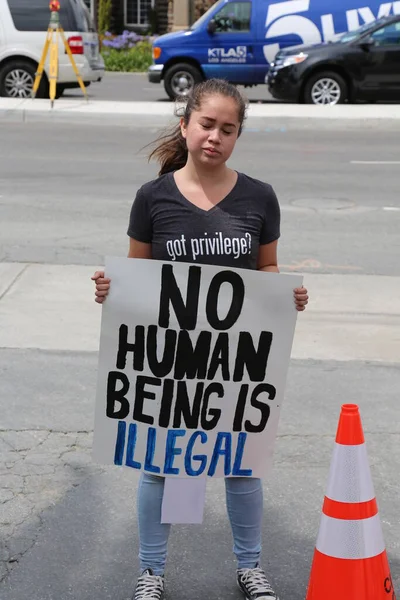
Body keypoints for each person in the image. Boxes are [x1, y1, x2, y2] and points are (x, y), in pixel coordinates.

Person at [92, 78, 309, 600]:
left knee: (242, 468)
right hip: (171, 363)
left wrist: (286, 295)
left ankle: (250, 568)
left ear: (238, 136)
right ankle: (150, 573)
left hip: (233, 365)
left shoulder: (261, 197)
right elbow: (138, 278)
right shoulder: (153, 198)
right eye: (207, 125)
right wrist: (110, 289)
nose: (215, 136)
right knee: (160, 467)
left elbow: (267, 266)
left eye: (227, 129)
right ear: (185, 124)